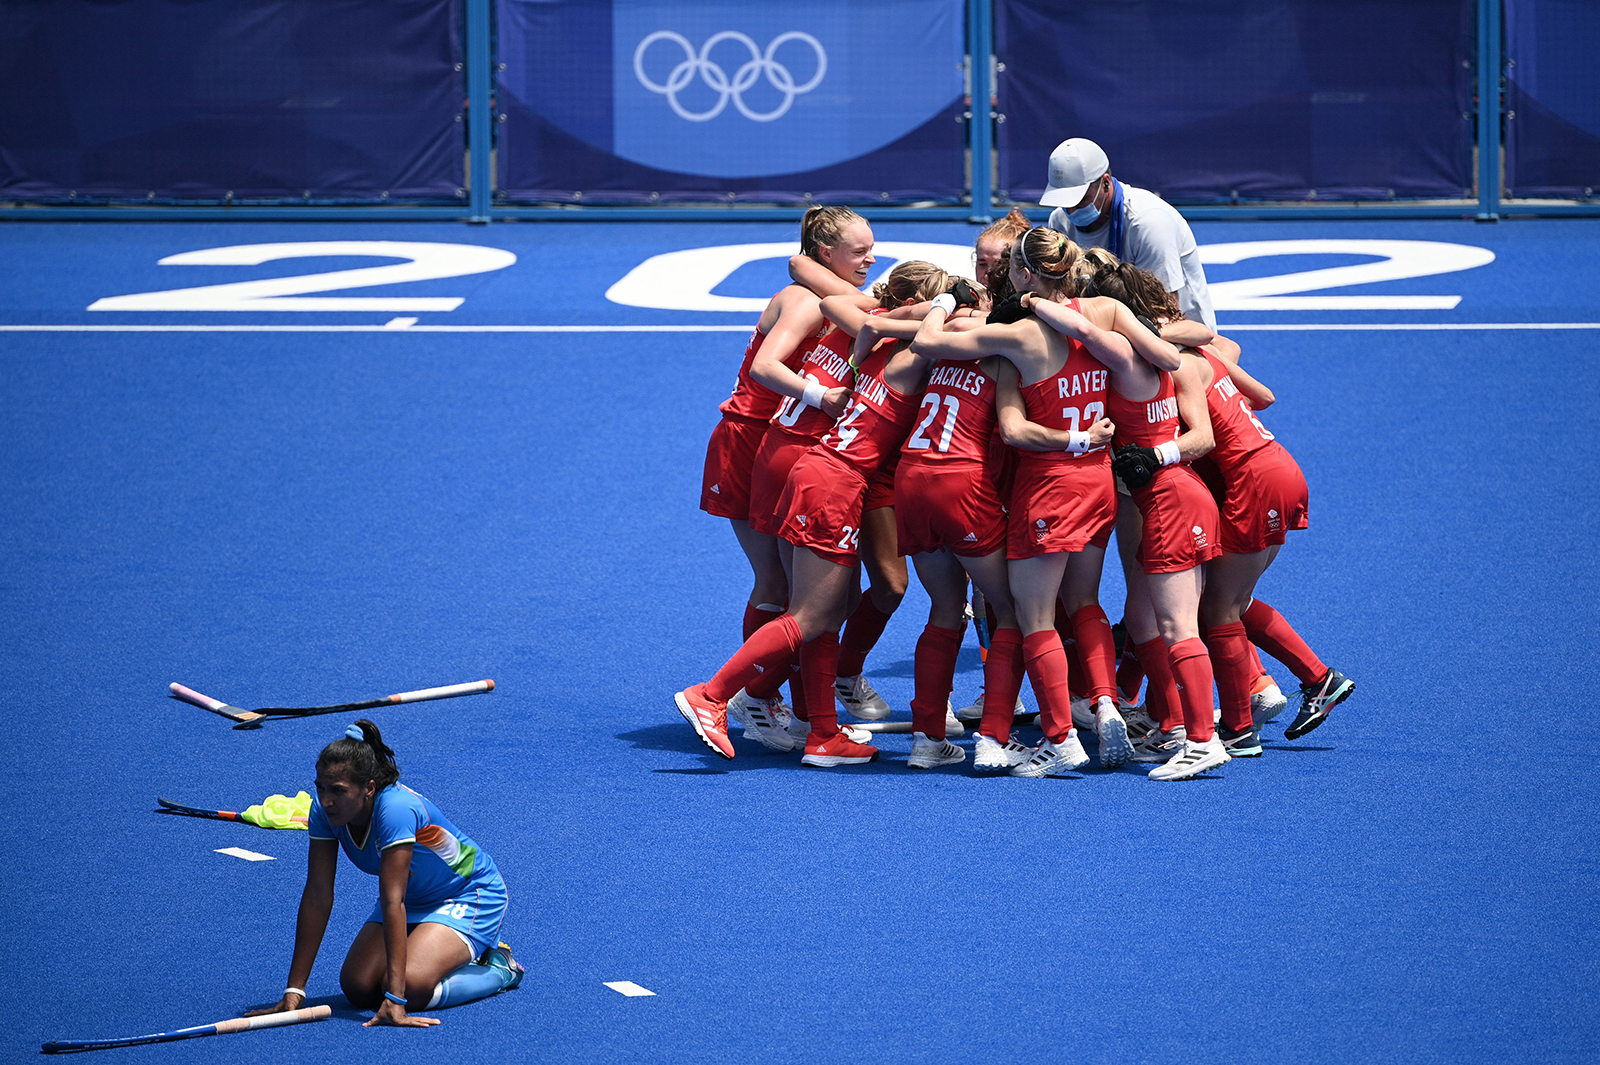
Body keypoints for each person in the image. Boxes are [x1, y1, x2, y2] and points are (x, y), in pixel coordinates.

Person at [911, 227, 1184, 777]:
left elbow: (928, 345)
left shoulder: (1020, 338)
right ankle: (1107, 701)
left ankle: (1061, 736)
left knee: (1032, 616)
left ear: (1024, 275)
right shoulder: (1105, 310)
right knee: (1084, 602)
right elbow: (1168, 352)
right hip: (1099, 484)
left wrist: (942, 305)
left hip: (1048, 486)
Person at [675, 262, 953, 767]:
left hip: (808, 467)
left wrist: (907, 310)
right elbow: (943, 335)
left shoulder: (862, 335)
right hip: (834, 482)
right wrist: (945, 308)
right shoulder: (915, 352)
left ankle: (821, 731)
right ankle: (714, 695)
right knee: (810, 613)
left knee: (824, 607)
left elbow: (841, 305)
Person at [700, 206, 874, 742]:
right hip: (750, 439)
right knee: (777, 582)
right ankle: (754, 699)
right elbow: (764, 369)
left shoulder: (832, 296)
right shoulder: (803, 301)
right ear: (827, 254)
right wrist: (826, 396)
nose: (871, 259)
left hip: (780, 440)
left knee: (805, 590)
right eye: (859, 251)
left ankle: (796, 707)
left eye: (872, 247)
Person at [247, 721, 519, 1027]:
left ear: (369, 789)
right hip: (413, 897)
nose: (326, 800)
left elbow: (392, 901)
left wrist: (397, 999)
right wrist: (294, 990)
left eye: (338, 791)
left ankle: (499, 969)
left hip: (468, 893)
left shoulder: (396, 810)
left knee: (410, 987)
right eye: (320, 787)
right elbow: (317, 896)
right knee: (358, 987)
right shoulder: (325, 813)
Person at [1040, 138, 1216, 330]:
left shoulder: (1150, 223)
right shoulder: (1059, 220)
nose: (1071, 210)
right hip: (1106, 330)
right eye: (1065, 200)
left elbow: (1166, 311)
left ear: (1105, 183)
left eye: (1080, 198)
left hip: (1179, 337)